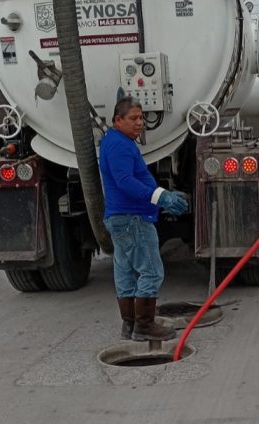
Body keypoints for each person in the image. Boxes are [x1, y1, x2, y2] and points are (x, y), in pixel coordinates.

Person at [99, 96, 189, 341]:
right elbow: (125, 181)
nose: (140, 123)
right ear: (118, 120)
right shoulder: (120, 145)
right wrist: (160, 197)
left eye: (141, 118)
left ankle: (129, 325)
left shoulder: (114, 140)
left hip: (120, 217)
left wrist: (161, 194)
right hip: (132, 217)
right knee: (151, 271)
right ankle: (145, 326)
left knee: (125, 272)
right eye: (133, 119)